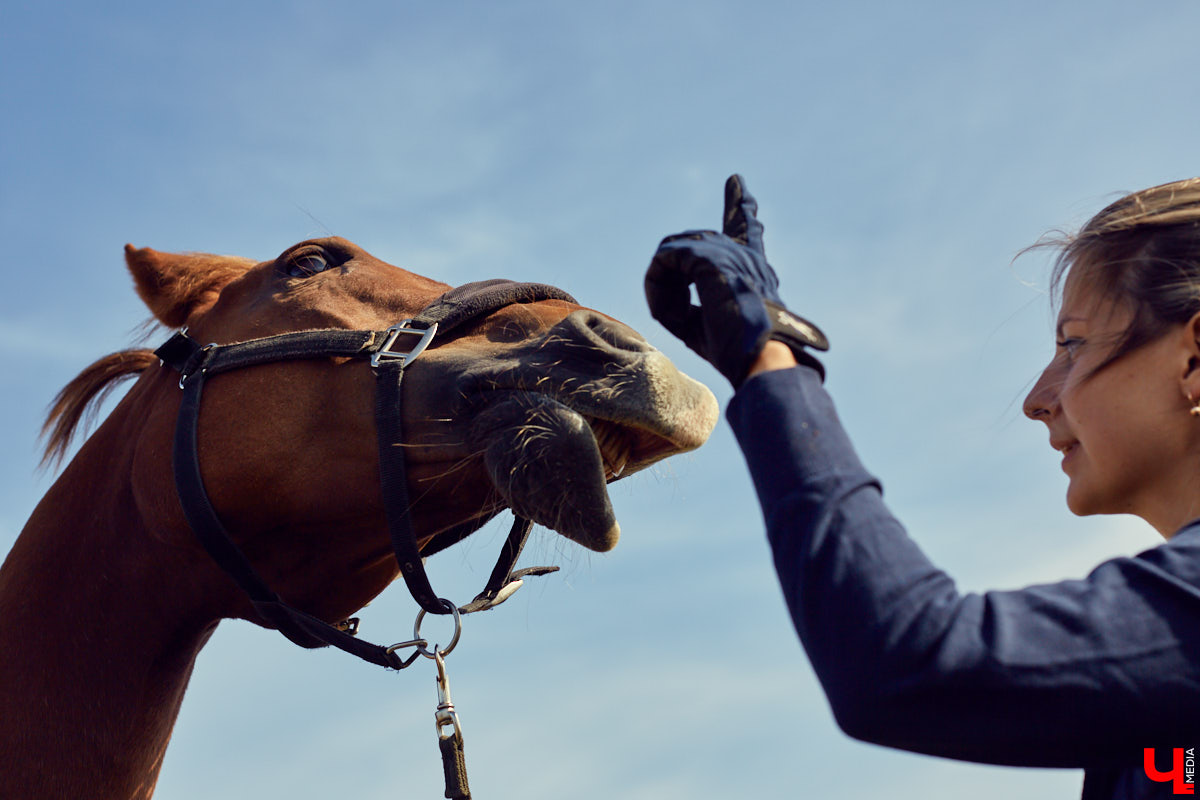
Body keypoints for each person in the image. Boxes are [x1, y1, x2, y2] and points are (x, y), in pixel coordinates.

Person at [645, 175, 1200, 799]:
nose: (1040, 400)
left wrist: (769, 363)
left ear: (1193, 358)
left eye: (1074, 345)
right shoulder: (1162, 737)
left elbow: (904, 658)